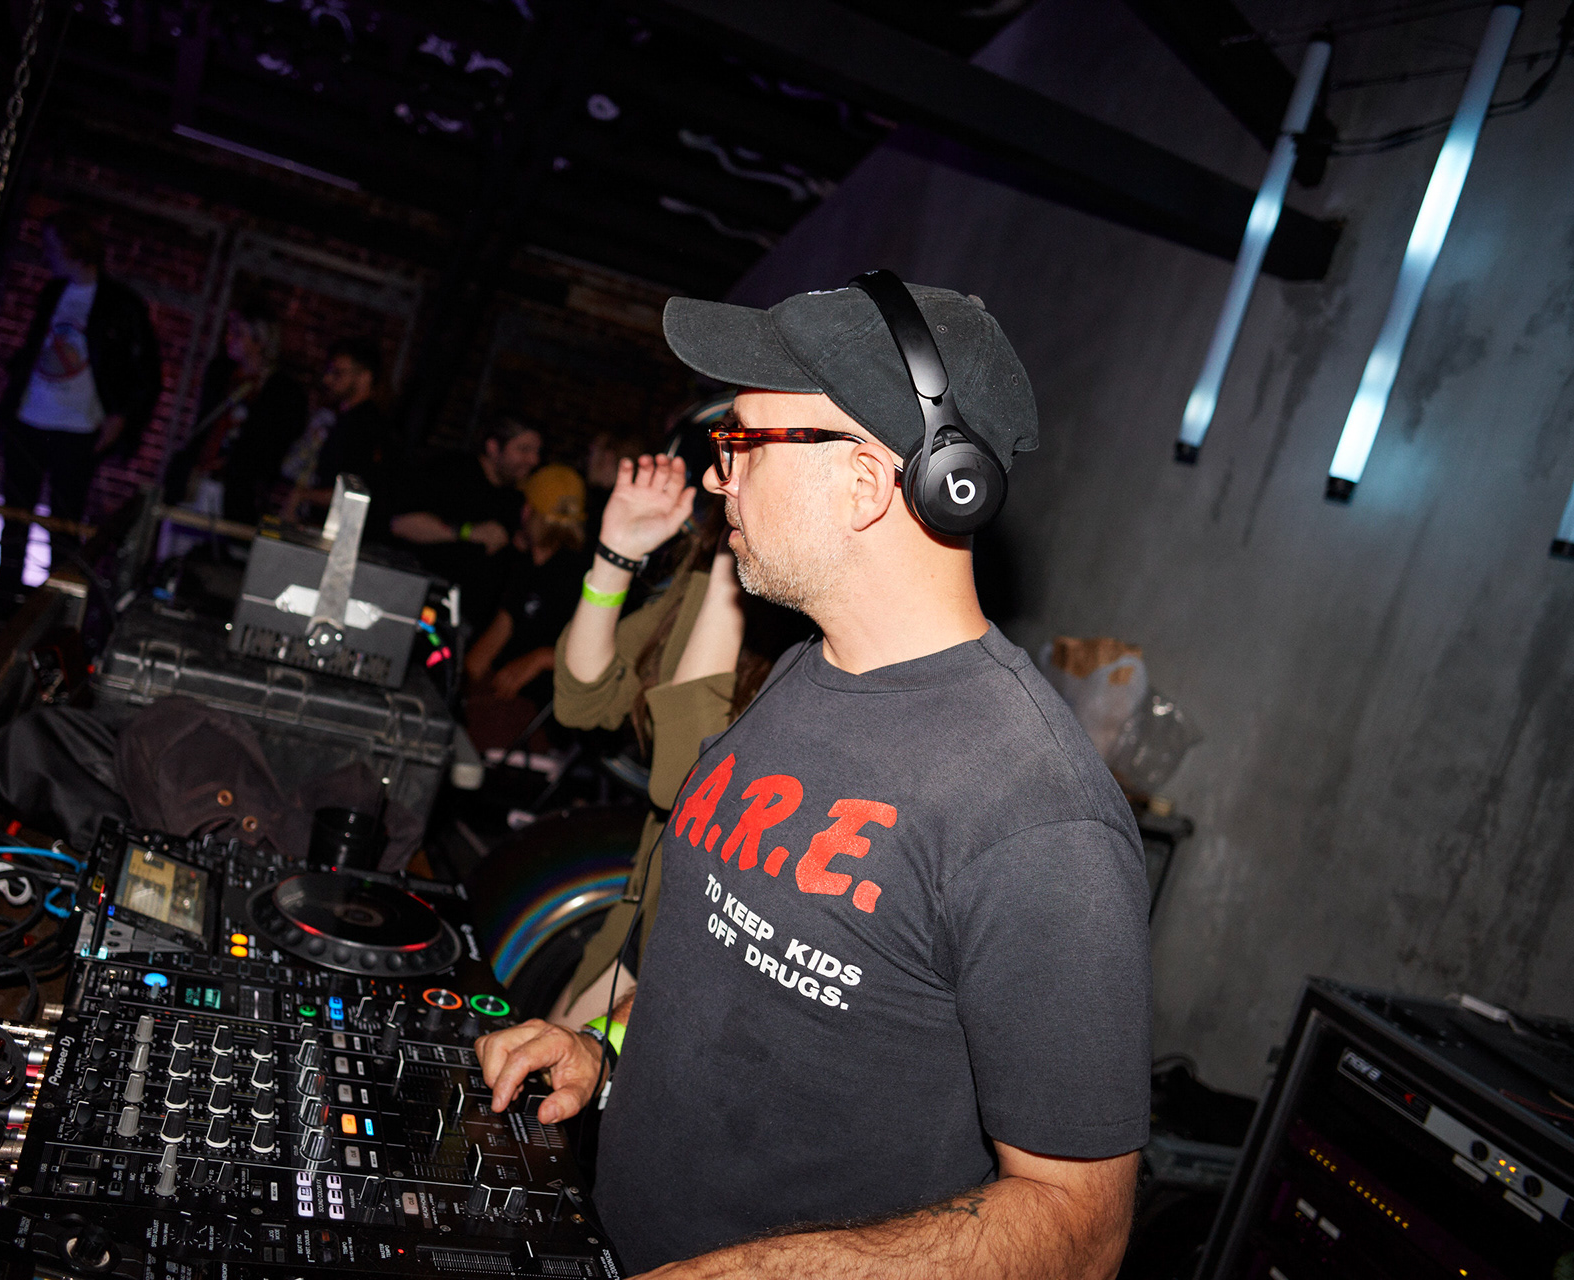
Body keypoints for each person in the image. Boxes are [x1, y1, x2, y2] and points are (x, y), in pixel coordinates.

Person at [476, 281, 1151, 1278]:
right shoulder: (801, 674)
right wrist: (602, 1058)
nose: (720, 479)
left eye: (745, 445)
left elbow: (1082, 1227)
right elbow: (741, 989)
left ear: (867, 483)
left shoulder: (1038, 815)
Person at [546, 458, 800, 1029]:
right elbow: (582, 700)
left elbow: (684, 782)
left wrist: (730, 576)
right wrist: (616, 557)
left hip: (710, 941)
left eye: (750, 449)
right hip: (646, 905)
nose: (714, 476)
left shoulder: (817, 625)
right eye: (727, 448)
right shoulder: (707, 573)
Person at [0, 208, 162, 580]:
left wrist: (121, 416)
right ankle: (3, 593)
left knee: (65, 524)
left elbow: (146, 372)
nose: (47, 254)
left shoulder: (120, 303)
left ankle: (54, 600)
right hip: (29, 418)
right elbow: (37, 346)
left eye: (52, 246)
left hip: (77, 428)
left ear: (73, 247)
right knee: (14, 517)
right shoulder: (53, 292)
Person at [388, 418, 541, 633]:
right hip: (420, 606)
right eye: (524, 450)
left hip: (466, 621)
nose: (533, 460)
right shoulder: (451, 472)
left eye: (536, 452)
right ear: (493, 447)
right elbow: (401, 524)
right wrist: (468, 532)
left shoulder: (514, 499)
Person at [164, 303, 308, 526]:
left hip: (237, 490)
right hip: (197, 479)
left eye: (239, 334)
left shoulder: (281, 391)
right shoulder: (221, 374)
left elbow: (272, 445)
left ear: (260, 341)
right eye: (230, 332)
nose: (229, 339)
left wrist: (236, 465)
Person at [465, 464, 591, 706]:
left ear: (528, 511)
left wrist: (544, 658)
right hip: (501, 698)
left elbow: (603, 655)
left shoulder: (580, 576)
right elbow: (495, 638)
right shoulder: (524, 565)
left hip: (546, 712)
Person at [284, 338, 394, 524]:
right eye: (329, 372)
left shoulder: (365, 426)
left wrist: (302, 495)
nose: (327, 379)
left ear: (365, 377)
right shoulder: (345, 419)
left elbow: (354, 492)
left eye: (338, 373)